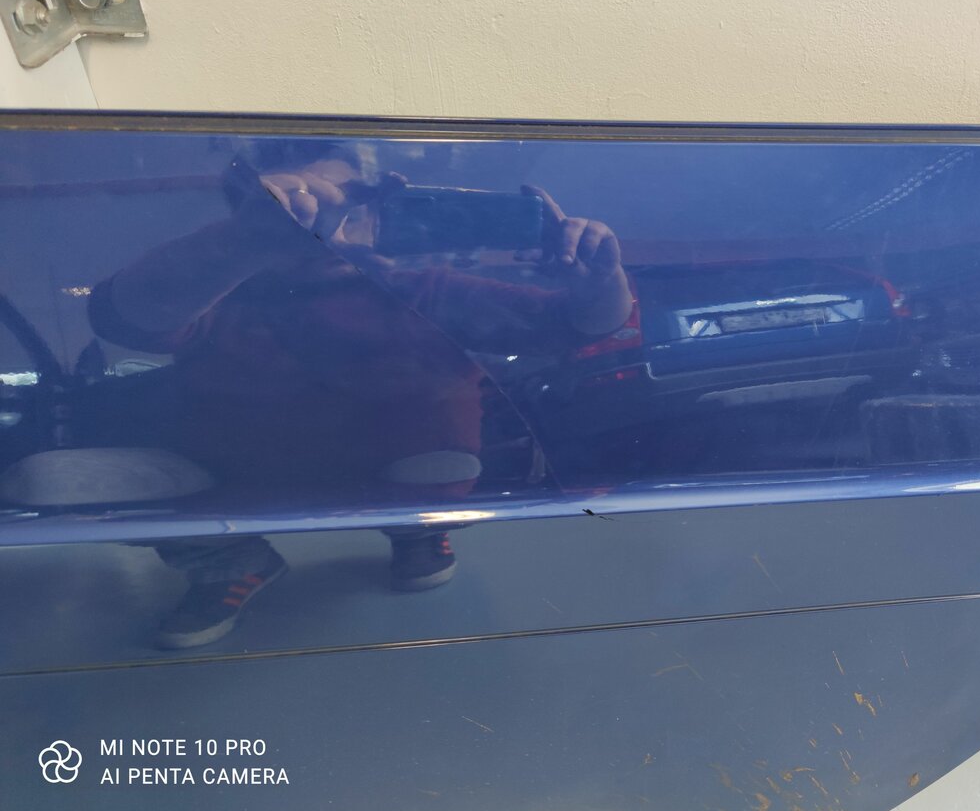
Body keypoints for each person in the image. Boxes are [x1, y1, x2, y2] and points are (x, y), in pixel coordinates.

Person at [89, 140, 633, 649]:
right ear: (250, 217)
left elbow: (574, 324)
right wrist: (244, 242)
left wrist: (601, 279)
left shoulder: (424, 290)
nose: (330, 226)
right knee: (116, 486)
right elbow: (125, 315)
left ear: (377, 216)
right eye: (299, 208)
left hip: (405, 484)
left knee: (435, 475)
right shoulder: (216, 294)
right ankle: (233, 563)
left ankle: (417, 532)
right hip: (239, 492)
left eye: (350, 205)